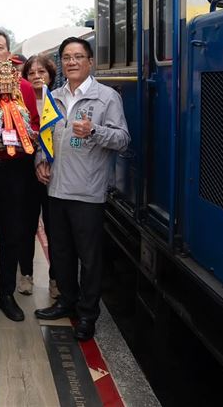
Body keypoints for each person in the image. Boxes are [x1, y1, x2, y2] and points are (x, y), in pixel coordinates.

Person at [34, 37, 130, 341]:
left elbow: (123, 140)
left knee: (89, 258)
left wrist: (94, 131)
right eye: (66, 57)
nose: (71, 62)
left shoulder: (106, 98)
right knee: (61, 253)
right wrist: (40, 161)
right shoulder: (54, 97)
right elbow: (44, 138)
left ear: (90, 62)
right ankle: (66, 301)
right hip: (56, 190)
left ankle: (88, 314)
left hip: (87, 193)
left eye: (78, 56)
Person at [0, 28, 40, 323]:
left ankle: (6, 294)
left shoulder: (23, 87)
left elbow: (35, 124)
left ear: (8, 53)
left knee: (11, 234)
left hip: (15, 170)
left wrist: (26, 135)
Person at [21, 54, 59, 298]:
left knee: (55, 228)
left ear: (51, 76)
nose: (36, 76)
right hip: (26, 173)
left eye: (41, 72)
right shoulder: (19, 101)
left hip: (53, 173)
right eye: (31, 73)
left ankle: (55, 278)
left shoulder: (57, 101)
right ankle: (26, 274)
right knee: (26, 225)